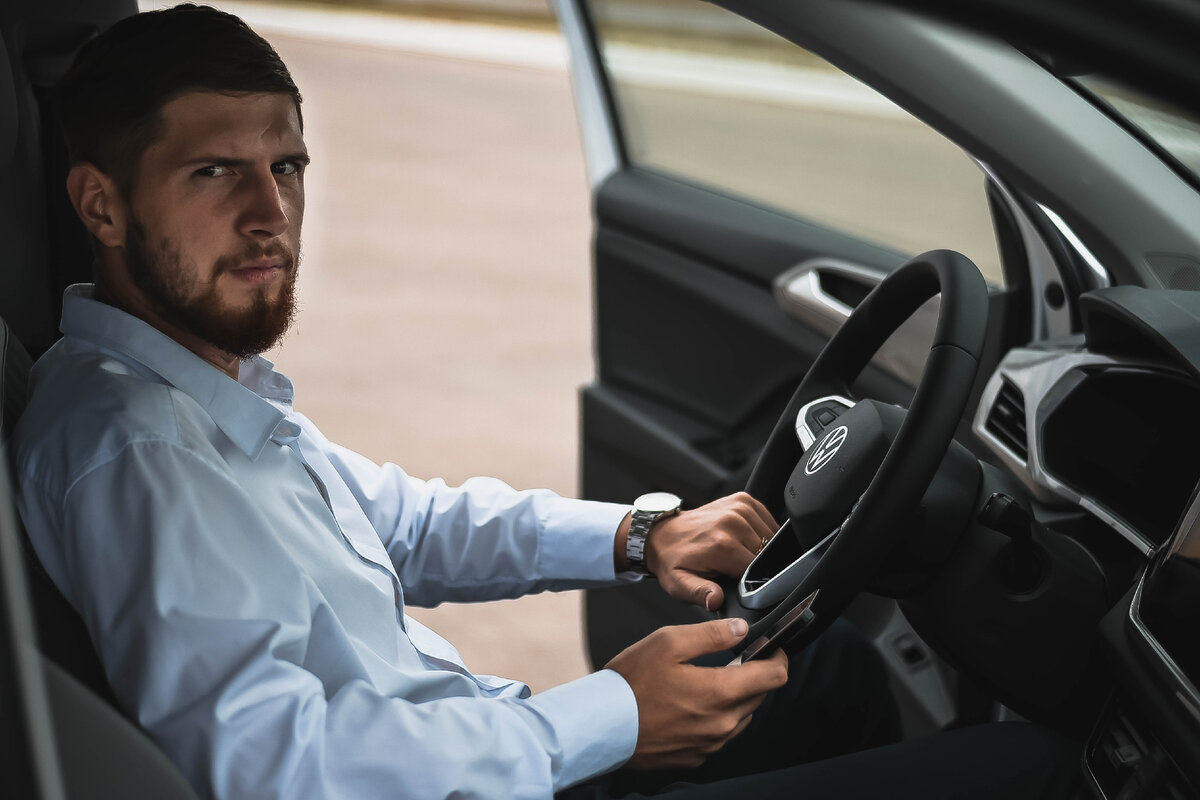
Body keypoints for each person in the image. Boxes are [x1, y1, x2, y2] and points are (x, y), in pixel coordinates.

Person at [10, 5, 1078, 799]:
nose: (271, 214)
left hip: (497, 753)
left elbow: (401, 523)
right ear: (101, 204)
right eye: (214, 173)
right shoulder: (136, 452)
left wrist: (639, 536)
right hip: (501, 771)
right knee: (1026, 767)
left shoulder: (202, 393)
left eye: (286, 165)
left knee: (826, 666)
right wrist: (609, 716)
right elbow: (274, 770)